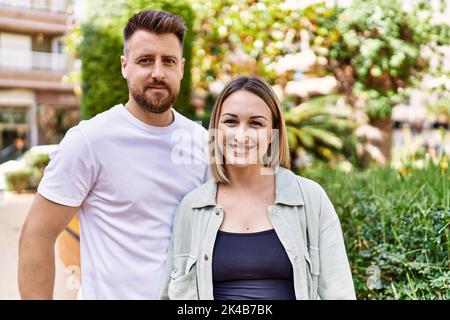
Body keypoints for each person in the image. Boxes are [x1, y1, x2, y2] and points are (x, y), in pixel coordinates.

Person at [18, 10, 209, 300]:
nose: (158, 72)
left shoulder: (202, 143)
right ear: (124, 66)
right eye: (145, 60)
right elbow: (37, 234)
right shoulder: (90, 141)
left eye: (168, 61)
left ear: (181, 68)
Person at [160, 76, 356, 300]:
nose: (241, 135)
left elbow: (340, 293)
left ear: (274, 133)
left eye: (256, 123)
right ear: (216, 128)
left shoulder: (311, 200)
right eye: (231, 122)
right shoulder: (192, 208)